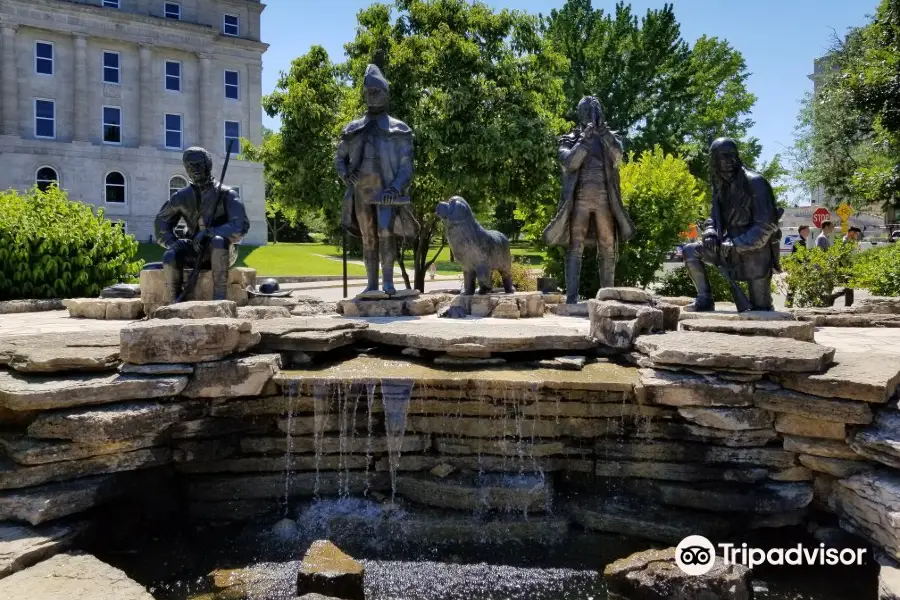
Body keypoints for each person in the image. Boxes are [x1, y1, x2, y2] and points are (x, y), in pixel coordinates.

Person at [542, 96, 635, 304]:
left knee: (608, 246)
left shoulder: (610, 137)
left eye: (594, 111)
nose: (590, 115)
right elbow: (570, 162)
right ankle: (572, 299)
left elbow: (618, 156)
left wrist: (603, 133)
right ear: (580, 114)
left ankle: (607, 297)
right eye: (587, 111)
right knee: (575, 247)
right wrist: (584, 138)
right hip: (579, 201)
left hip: (605, 200)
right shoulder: (570, 138)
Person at [335, 64, 418, 296]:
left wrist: (395, 187)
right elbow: (340, 159)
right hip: (361, 191)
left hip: (386, 192)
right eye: (368, 92)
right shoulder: (353, 129)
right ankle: (371, 285)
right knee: (368, 237)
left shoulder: (400, 130)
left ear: (386, 94)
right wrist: (345, 175)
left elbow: (406, 167)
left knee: (385, 233)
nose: (372, 96)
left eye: (377, 91)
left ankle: (388, 283)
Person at [682, 138, 781, 312]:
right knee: (690, 250)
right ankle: (704, 299)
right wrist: (711, 231)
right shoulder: (719, 185)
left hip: (756, 252)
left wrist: (738, 243)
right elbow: (714, 216)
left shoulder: (756, 182)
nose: (730, 160)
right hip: (727, 247)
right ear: (714, 160)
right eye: (724, 156)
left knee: (761, 309)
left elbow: (766, 225)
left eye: (733, 155)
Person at [155, 147, 249, 301]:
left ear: (208, 165)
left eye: (199, 164)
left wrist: (208, 232)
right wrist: (173, 243)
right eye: (190, 166)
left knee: (218, 241)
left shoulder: (227, 194)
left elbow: (240, 226)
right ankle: (176, 301)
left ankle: (219, 300)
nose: (195, 169)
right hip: (195, 250)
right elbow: (161, 223)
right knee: (171, 254)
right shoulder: (181, 197)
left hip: (222, 252)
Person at [785, 225, 810, 308]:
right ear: (802, 231)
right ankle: (789, 303)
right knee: (794, 286)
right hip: (798, 267)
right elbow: (800, 256)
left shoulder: (800, 240)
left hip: (797, 266)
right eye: (807, 230)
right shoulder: (800, 241)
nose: (808, 232)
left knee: (793, 286)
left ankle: (789, 303)